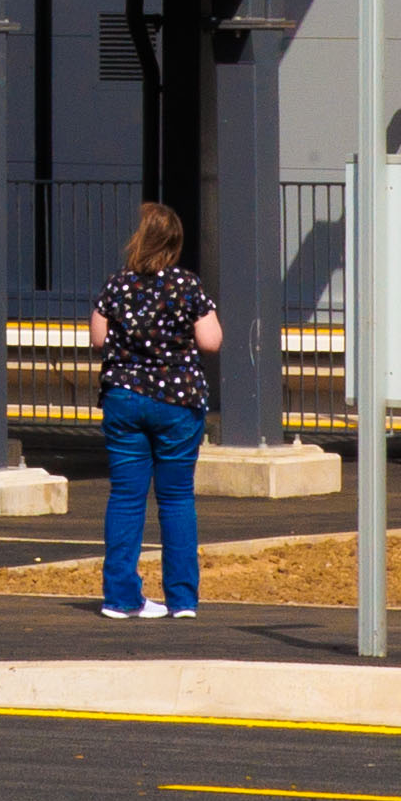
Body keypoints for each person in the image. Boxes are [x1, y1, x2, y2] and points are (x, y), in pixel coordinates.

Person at [84, 200, 225, 623]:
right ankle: (182, 599)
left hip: (124, 397)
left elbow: (97, 338)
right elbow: (211, 341)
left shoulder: (117, 285)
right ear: (175, 243)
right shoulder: (187, 285)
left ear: (139, 240)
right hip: (178, 402)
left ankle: (120, 597)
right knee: (177, 498)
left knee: (126, 497)